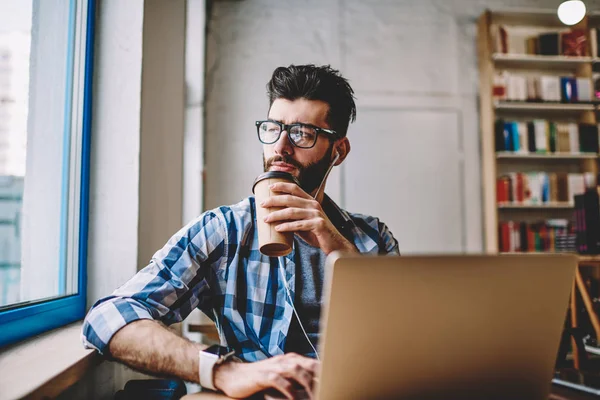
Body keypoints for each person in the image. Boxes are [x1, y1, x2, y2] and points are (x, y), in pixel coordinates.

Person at [82, 64, 399, 399]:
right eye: (273, 128)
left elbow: (406, 340)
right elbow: (107, 317)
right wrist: (224, 370)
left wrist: (336, 248)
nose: (281, 147)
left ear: (338, 151)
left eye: (302, 134)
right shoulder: (225, 230)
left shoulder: (372, 237)